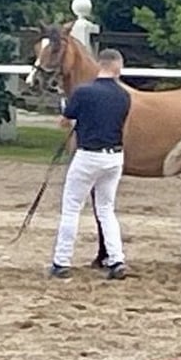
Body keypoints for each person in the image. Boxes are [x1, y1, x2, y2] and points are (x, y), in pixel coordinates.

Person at [49, 48, 131, 280]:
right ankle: (116, 260)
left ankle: (61, 261)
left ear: (100, 65)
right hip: (114, 156)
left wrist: (68, 110)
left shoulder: (83, 92)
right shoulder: (124, 96)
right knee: (106, 209)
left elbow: (65, 122)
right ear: (117, 66)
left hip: (88, 155)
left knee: (72, 208)